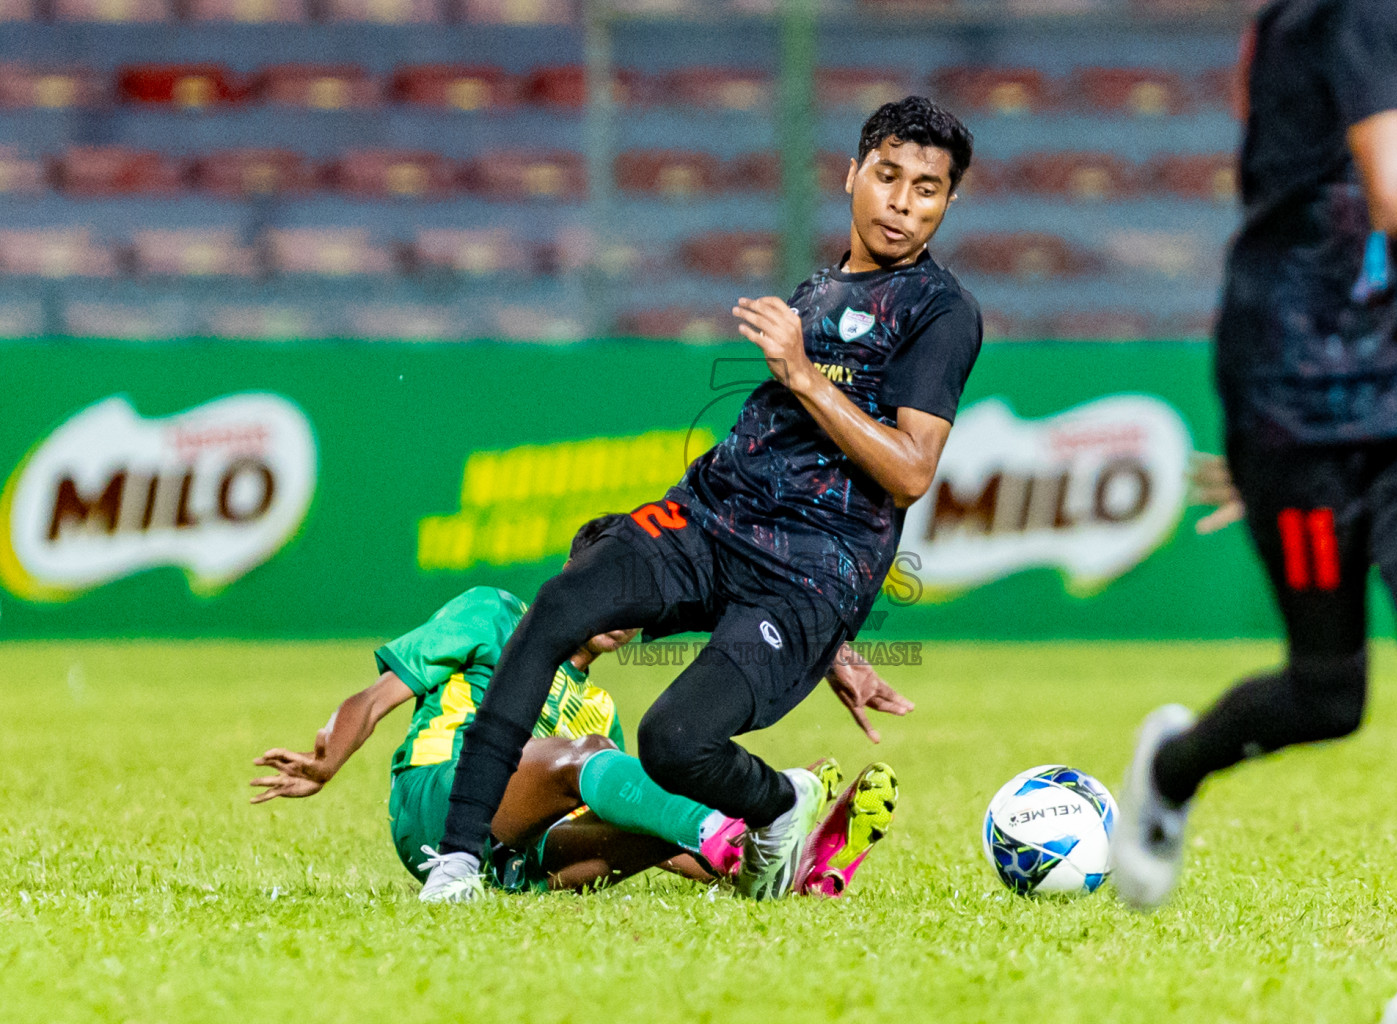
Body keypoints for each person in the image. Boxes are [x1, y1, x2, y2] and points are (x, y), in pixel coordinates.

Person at [423, 95, 980, 903]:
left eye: (926, 189)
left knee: (673, 742)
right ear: (852, 175)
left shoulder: (942, 312)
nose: (902, 201)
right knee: (561, 604)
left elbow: (909, 470)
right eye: (888, 176)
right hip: (713, 519)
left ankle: (782, 804)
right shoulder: (821, 286)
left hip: (809, 580)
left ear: (947, 203)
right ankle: (457, 861)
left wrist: (800, 373)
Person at [1109, 1, 1397, 1020]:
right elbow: (1394, 195)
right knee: (1328, 692)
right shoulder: (1358, 8)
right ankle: (1174, 765)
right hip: (1299, 405)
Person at [251, 577, 903, 897]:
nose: (624, 614)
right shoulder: (493, 614)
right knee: (594, 757)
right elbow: (376, 696)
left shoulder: (597, 705)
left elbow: (647, 825)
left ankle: (786, 868)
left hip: (517, 863)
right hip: (436, 808)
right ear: (577, 577)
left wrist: (714, 859)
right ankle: (752, 820)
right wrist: (328, 758)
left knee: (656, 819)